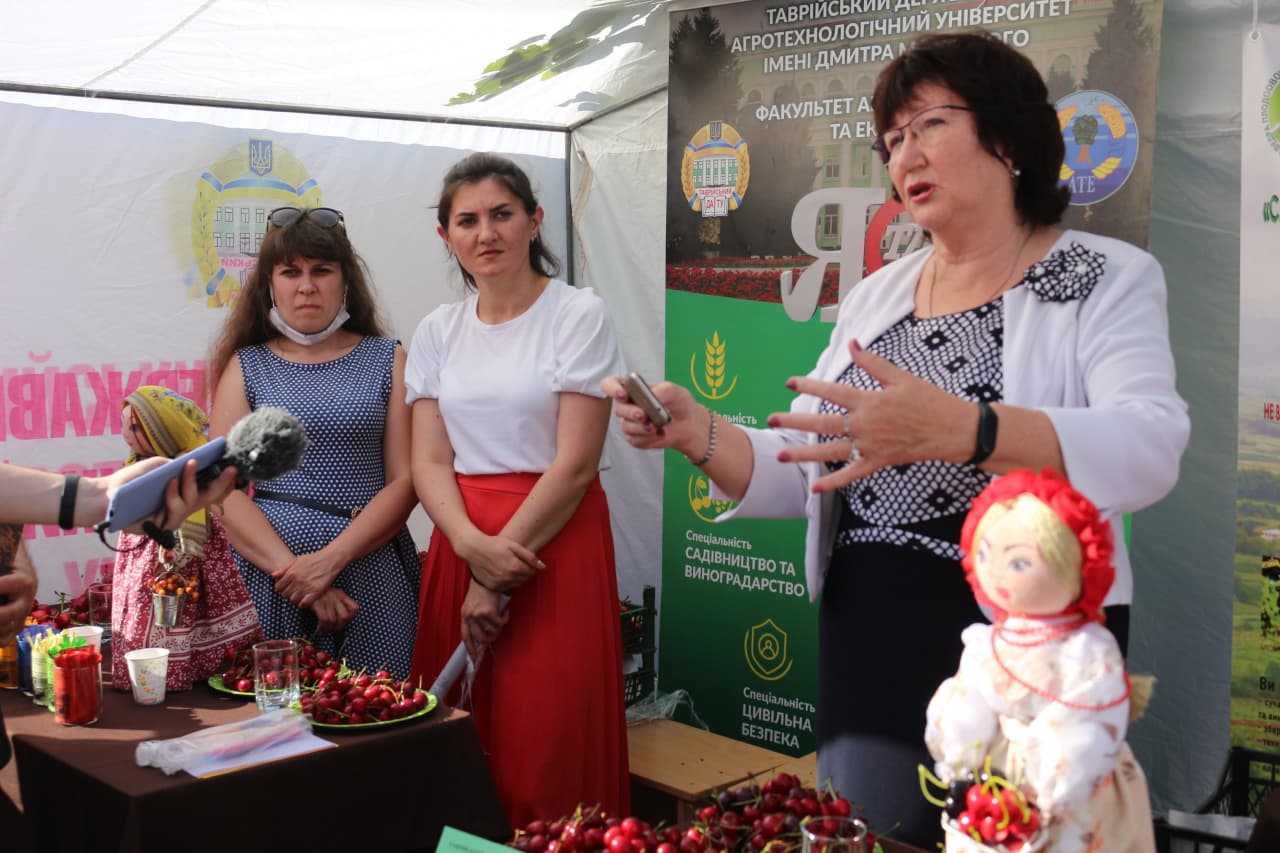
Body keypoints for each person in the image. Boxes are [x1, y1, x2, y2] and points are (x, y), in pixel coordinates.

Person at [605, 31, 1188, 846]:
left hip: (1021, 639)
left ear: (1010, 138)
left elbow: (1150, 445)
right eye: (892, 139)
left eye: (928, 126)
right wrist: (696, 430)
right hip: (869, 622)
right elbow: (808, 458)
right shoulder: (879, 294)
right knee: (873, 831)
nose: (904, 153)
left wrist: (968, 428)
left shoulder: (1103, 275)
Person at [406, 152, 629, 825]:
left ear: (533, 220)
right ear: (445, 236)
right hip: (463, 542)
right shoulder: (437, 330)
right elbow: (429, 462)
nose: (486, 233)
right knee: (460, 744)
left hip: (551, 548)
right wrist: (473, 549)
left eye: (502, 214)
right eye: (467, 220)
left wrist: (497, 571)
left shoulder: (576, 313)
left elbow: (576, 464)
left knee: (547, 747)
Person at [208, 205, 420, 678]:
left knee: (378, 722)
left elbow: (406, 482)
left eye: (322, 270)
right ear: (269, 283)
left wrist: (331, 560)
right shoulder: (245, 366)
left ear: (346, 281)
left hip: (370, 575)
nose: (306, 286)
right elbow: (222, 490)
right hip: (270, 580)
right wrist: (298, 576)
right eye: (290, 272)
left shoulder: (390, 359)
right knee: (273, 730)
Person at [925, 469, 1155, 852]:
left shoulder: (1087, 650)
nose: (996, 573)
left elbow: (1087, 722)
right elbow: (967, 702)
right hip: (993, 784)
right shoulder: (987, 642)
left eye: (1017, 563)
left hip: (1067, 785)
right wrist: (961, 745)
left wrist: (1055, 779)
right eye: (984, 554)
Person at [109, 386, 263, 692]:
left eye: (136, 426)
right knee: (141, 606)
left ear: (162, 433)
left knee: (180, 609)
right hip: (142, 553)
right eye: (126, 423)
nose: (127, 432)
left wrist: (177, 551)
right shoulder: (137, 469)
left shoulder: (185, 478)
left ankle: (186, 669)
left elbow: (191, 521)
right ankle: (143, 674)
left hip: (179, 554)